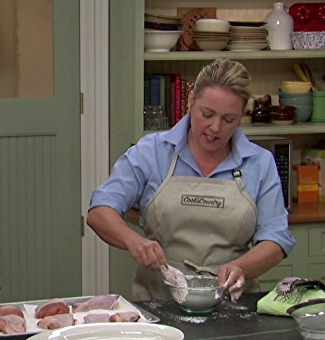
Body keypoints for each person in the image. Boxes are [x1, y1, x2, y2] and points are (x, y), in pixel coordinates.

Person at [87, 58, 295, 302]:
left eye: (229, 119)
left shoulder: (259, 162)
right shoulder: (152, 152)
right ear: (190, 101)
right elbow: (99, 211)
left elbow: (276, 239)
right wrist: (133, 241)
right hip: (158, 304)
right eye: (207, 114)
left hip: (231, 306)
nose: (215, 127)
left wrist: (241, 267)